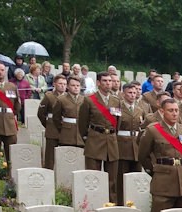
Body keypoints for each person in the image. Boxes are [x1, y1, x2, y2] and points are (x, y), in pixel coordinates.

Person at [78, 71, 122, 202]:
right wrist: (87, 139)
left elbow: (117, 123)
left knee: (112, 179)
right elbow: (82, 124)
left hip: (111, 142)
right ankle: (92, 203)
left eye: (110, 81)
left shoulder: (116, 101)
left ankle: (111, 204)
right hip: (95, 140)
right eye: (105, 81)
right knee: (93, 176)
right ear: (98, 83)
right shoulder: (89, 100)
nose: (108, 84)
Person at [115, 82, 144, 203]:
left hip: (136, 147)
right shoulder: (118, 109)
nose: (133, 95)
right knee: (122, 176)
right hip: (123, 146)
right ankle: (121, 202)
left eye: (134, 93)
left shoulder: (139, 110)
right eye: (130, 93)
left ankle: (134, 202)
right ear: (123, 94)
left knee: (136, 177)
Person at [38, 74, 66, 170]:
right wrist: (48, 125)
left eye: (64, 84)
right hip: (52, 128)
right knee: (50, 155)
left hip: (65, 129)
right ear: (54, 84)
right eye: (60, 83)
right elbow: (41, 114)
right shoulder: (49, 96)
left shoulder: (67, 97)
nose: (62, 86)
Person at [56, 75, 85, 148]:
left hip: (81, 134)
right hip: (67, 134)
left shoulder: (85, 100)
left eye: (78, 85)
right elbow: (56, 118)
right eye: (73, 85)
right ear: (68, 87)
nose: (76, 87)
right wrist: (64, 127)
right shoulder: (61, 99)